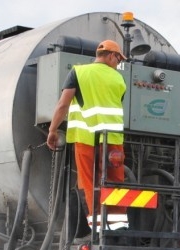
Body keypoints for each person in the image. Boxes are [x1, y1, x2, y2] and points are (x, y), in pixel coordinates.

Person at [46, 40, 127, 237]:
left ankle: (99, 230)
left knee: (89, 182)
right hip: (113, 139)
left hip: (86, 138)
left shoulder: (78, 73)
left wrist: (52, 130)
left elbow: (63, 104)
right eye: (118, 59)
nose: (118, 63)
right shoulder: (119, 79)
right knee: (114, 181)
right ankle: (117, 229)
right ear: (110, 56)